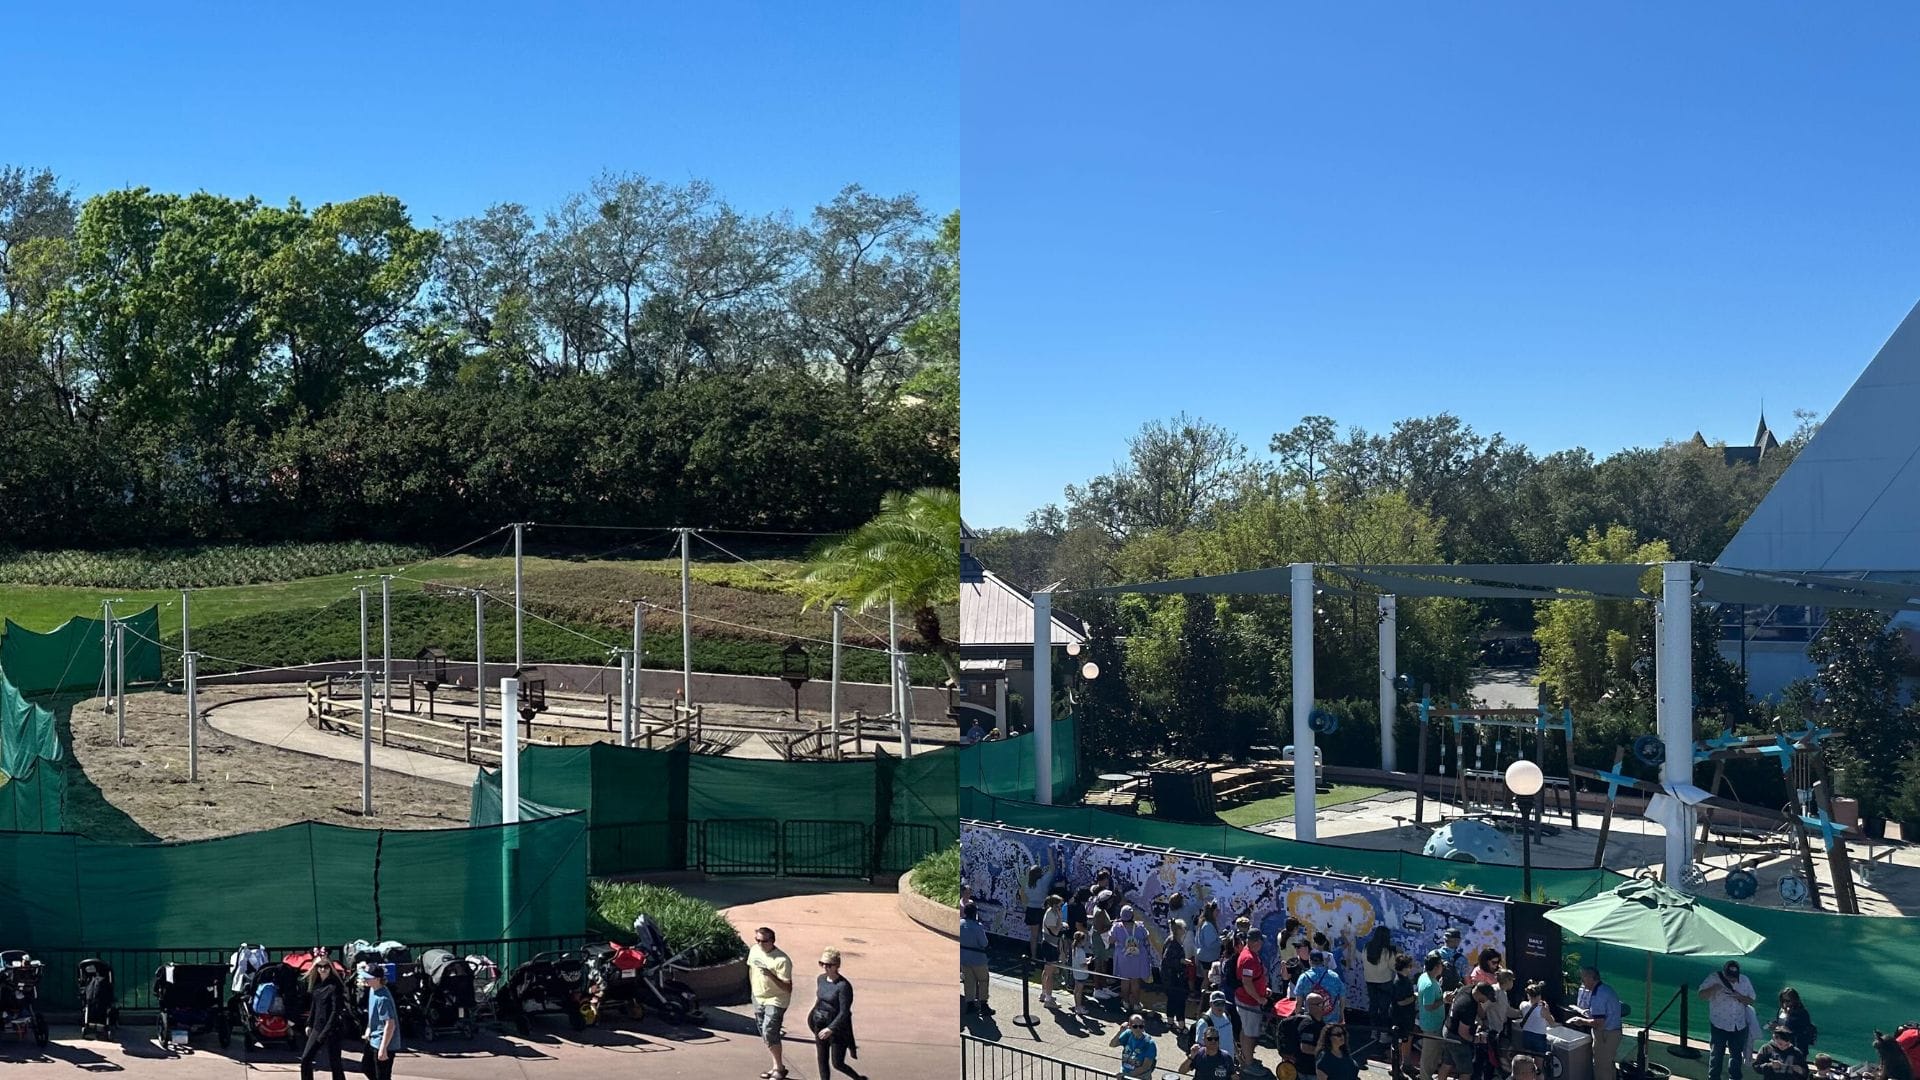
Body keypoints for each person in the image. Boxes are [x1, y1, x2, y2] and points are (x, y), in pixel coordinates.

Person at [808, 949, 864, 1080]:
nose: (825, 967)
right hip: (820, 1023)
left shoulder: (843, 986)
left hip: (837, 1028)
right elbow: (819, 1001)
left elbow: (844, 1012)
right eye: (822, 964)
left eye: (829, 965)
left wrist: (831, 1029)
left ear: (837, 966)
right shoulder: (821, 979)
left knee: (837, 1063)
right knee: (822, 1059)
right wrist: (812, 1018)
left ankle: (858, 1078)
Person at [1699, 960, 1757, 1080]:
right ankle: (1713, 1077)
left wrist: (1739, 997)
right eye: (1730, 977)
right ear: (1724, 973)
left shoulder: (1745, 980)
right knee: (1716, 1054)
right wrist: (1713, 989)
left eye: (1734, 978)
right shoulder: (1714, 978)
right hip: (1719, 1024)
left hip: (1738, 1024)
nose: (1732, 980)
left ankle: (1735, 1078)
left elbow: (1751, 1000)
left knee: (1736, 1055)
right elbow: (1701, 995)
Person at [1569, 967, 1623, 1080]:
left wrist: (1581, 1021)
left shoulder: (1598, 995)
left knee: (1601, 1067)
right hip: (1613, 1033)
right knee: (1608, 1066)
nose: (1582, 982)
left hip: (1605, 1035)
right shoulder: (1606, 989)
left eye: (1583, 979)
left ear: (1590, 978)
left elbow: (1599, 1023)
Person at [299, 957, 347, 1080]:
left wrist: (325, 1033)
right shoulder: (316, 985)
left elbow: (335, 1012)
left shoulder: (335, 987)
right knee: (306, 1059)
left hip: (332, 1028)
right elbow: (314, 1006)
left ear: (330, 968)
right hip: (317, 1026)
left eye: (325, 966)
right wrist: (309, 1024)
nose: (322, 969)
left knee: (335, 1063)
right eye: (319, 966)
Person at [1235, 927, 1271, 1070]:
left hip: (1247, 999)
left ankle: (1244, 1056)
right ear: (1256, 942)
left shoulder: (1248, 953)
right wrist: (1259, 998)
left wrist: (1263, 989)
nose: (1262, 944)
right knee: (1250, 1034)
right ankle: (1249, 1063)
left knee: (1245, 1029)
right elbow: (1247, 982)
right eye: (1261, 941)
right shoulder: (1249, 959)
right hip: (1249, 1002)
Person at [1109, 905, 1155, 1014]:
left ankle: (1125, 1001)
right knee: (1135, 981)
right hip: (1138, 956)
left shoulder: (1117, 927)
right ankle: (1135, 1003)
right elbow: (1146, 938)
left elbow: (1111, 940)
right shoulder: (1140, 926)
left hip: (1123, 955)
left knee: (1124, 980)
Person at [359, 966, 401, 1080]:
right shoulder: (373, 990)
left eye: (368, 977)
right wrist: (368, 1028)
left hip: (384, 1043)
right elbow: (373, 1014)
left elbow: (390, 1024)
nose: (365, 979)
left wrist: (383, 1048)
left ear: (377, 979)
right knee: (366, 1067)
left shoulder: (383, 998)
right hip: (373, 1039)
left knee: (382, 1076)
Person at [1445, 983, 1490, 1080]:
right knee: (1466, 1071)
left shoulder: (1468, 989)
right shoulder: (1467, 1007)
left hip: (1447, 1030)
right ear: (1480, 993)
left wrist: (1484, 1018)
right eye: (1487, 997)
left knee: (1447, 1063)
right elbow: (1463, 1033)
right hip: (1457, 1039)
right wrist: (1477, 1039)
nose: (1487, 1000)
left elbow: (1478, 1004)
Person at [1365, 926, 1398, 1050]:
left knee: (1373, 1007)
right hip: (1384, 982)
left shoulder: (1367, 947)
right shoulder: (1387, 952)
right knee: (1384, 1010)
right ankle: (1383, 1035)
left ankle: (1374, 1032)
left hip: (1370, 982)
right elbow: (1394, 967)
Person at [1417, 953, 1449, 1080]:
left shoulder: (1426, 977)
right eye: (1441, 965)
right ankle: (1425, 1077)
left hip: (1433, 1023)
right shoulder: (1430, 985)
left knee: (1434, 1053)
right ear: (1436, 967)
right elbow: (1428, 1006)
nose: (1443, 967)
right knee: (1429, 1055)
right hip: (1431, 1025)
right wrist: (1444, 1000)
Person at [1020, 854, 1059, 956]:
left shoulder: (1027, 884)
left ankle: (1033, 956)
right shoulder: (1043, 881)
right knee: (1045, 934)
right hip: (1042, 909)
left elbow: (1024, 896)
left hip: (1031, 909)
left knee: (1033, 935)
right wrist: (1050, 854)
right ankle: (1045, 956)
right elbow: (1052, 868)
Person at [1390, 953, 1420, 1079]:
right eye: (1409, 966)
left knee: (1407, 1040)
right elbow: (1401, 1001)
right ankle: (1397, 1068)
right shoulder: (1400, 982)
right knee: (1399, 1042)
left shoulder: (1403, 979)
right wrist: (1414, 997)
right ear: (1405, 967)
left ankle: (1406, 1064)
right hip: (1401, 1017)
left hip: (1406, 1016)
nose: (1411, 968)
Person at [1296, 950, 1348, 1024]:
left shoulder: (1304, 977)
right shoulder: (1334, 976)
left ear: (1310, 961)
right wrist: (1341, 1015)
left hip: (1311, 1021)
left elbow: (1299, 1002)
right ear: (1323, 961)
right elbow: (1342, 997)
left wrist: (1297, 1018)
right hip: (1332, 1021)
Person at [959, 907, 990, 1019]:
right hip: (978, 959)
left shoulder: (960, 924)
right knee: (983, 980)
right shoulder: (978, 927)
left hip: (964, 958)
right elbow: (984, 943)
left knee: (969, 982)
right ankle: (983, 1005)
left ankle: (970, 1004)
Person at [1163, 918, 1191, 1034]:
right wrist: (1181, 961)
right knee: (1180, 1001)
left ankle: (1170, 1022)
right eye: (1183, 928)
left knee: (1171, 1000)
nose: (1185, 930)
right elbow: (1167, 959)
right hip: (1175, 978)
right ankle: (1181, 1025)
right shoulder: (1174, 943)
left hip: (1169, 977)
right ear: (1178, 930)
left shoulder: (1170, 940)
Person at [1110, 1013, 1158, 1078]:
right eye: (1135, 1026)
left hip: (1140, 1076)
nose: (1138, 1029)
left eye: (1141, 1026)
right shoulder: (1128, 1034)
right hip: (1125, 1072)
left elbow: (1145, 1067)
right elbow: (1112, 1044)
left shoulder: (1149, 1043)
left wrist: (1127, 1076)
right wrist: (1120, 1031)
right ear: (1129, 1026)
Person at [1039, 894, 1066, 1008]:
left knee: (1046, 970)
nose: (1061, 908)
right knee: (1050, 974)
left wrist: (1061, 924)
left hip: (1050, 944)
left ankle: (1044, 993)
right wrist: (1060, 919)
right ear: (1054, 906)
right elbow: (1054, 932)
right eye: (1060, 906)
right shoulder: (1051, 914)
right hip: (1050, 945)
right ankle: (1048, 1000)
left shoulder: (1052, 913)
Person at [1297, 992, 1332, 1080]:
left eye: (1324, 1003)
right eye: (1320, 1004)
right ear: (1311, 1006)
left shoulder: (1319, 1022)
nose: (1324, 1006)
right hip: (1309, 1071)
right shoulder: (1308, 1025)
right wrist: (1325, 1053)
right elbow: (1305, 1047)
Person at [1199, 991, 1237, 1065]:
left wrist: (1238, 1057)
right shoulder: (1204, 1022)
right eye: (1217, 1004)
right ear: (1210, 1004)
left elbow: (1231, 1037)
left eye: (1222, 1003)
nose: (1220, 1007)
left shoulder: (1227, 1015)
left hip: (1229, 1060)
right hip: (1214, 1063)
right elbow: (1200, 1046)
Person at [1775, 988, 1815, 1056]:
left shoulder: (1801, 1013)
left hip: (1796, 1046)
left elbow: (1805, 1031)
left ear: (1794, 1000)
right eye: (1783, 1000)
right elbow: (1780, 1022)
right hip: (1782, 1045)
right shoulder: (1781, 1010)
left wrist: (1789, 1030)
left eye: (1788, 1001)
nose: (1785, 1003)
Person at [1516, 981, 1552, 1056]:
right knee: (1539, 1060)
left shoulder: (1522, 1005)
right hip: (1539, 1036)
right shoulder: (1542, 1009)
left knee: (1527, 1059)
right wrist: (1547, 1009)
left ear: (1528, 995)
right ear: (1539, 995)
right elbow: (1551, 1022)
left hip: (1526, 1035)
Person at [1068, 929, 1093, 1016]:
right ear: (1081, 941)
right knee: (1079, 991)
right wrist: (1088, 962)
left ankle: (1077, 1006)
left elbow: (1078, 961)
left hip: (1076, 973)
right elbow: (1083, 965)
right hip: (1081, 975)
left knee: (1076, 990)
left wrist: (1086, 960)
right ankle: (1079, 1007)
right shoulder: (1081, 951)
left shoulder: (1074, 949)